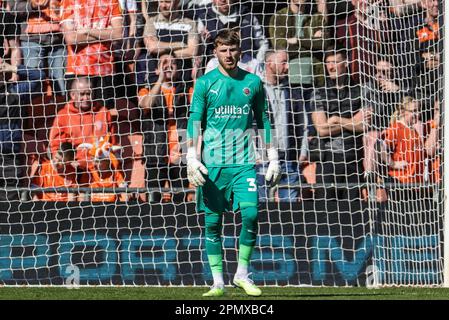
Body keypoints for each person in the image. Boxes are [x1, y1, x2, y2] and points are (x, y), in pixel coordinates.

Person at [186, 29, 280, 297]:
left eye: (233, 49)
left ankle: (242, 274)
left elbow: (263, 121)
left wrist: (273, 158)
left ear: (240, 51)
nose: (229, 54)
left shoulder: (253, 82)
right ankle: (217, 282)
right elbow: (195, 122)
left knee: (251, 215)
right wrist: (191, 157)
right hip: (213, 164)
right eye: (223, 50)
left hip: (244, 163)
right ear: (215, 52)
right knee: (212, 224)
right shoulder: (205, 84)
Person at [311, 48, 369, 201]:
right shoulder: (318, 92)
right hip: (327, 159)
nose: (331, 67)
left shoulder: (361, 91)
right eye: (328, 63)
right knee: (325, 211)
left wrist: (336, 119)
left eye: (335, 62)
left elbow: (364, 126)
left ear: (346, 63)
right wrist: (352, 122)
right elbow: (322, 130)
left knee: (354, 211)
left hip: (353, 158)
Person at [138, 52, 191, 203]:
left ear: (178, 69)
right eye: (164, 62)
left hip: (179, 155)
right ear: (156, 69)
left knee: (180, 204)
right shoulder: (146, 90)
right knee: (153, 202)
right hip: (155, 154)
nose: (168, 65)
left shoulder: (186, 90)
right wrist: (160, 79)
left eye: (172, 63)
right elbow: (145, 104)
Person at [256, 50, 308, 201]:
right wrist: (255, 154)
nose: (287, 67)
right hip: (263, 160)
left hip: (289, 159)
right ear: (269, 64)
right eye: (283, 62)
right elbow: (245, 123)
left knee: (291, 209)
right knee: (262, 207)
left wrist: (302, 151)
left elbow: (302, 124)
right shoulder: (255, 90)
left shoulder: (293, 92)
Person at [60, 0, 123, 107]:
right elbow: (71, 39)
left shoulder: (112, 1)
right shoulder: (68, 1)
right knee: (78, 118)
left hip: (104, 69)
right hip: (77, 69)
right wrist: (105, 33)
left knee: (102, 117)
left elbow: (118, 34)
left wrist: (87, 30)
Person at [49, 77, 118, 171]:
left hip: (98, 166)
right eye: (82, 94)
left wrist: (104, 160)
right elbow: (55, 145)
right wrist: (66, 160)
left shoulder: (104, 113)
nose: (86, 98)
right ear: (73, 95)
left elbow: (112, 142)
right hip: (73, 167)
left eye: (88, 94)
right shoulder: (63, 115)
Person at [0, 60, 45, 201]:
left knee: (10, 207)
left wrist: (13, 67)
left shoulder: (16, 91)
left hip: (9, 159)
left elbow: (40, 76)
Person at [195, 0, 269, 74]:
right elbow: (198, 51)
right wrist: (204, 41)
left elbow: (263, 43)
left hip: (247, 70)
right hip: (219, 73)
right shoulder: (204, 17)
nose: (223, 0)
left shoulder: (248, 15)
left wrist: (258, 63)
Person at [268, 0, 329, 89]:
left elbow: (324, 43)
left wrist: (297, 40)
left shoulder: (316, 17)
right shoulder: (279, 17)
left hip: (316, 76)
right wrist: (312, 41)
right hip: (290, 79)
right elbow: (280, 46)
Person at [14, 0, 66, 96]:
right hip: (32, 40)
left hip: (58, 40)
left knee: (61, 83)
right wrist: (33, 6)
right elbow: (14, 8)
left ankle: (62, 110)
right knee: (34, 83)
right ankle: (34, 111)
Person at [143, 0, 199, 85]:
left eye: (168, 2)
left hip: (183, 81)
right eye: (161, 2)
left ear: (177, 2)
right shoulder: (152, 22)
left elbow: (192, 51)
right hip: (157, 81)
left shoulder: (190, 23)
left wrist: (162, 49)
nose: (163, 5)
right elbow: (152, 47)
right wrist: (180, 44)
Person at [78, 136, 128, 202]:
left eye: (99, 161)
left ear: (108, 161)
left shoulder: (115, 172)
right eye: (94, 160)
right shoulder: (90, 171)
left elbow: (123, 190)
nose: (95, 163)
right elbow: (82, 193)